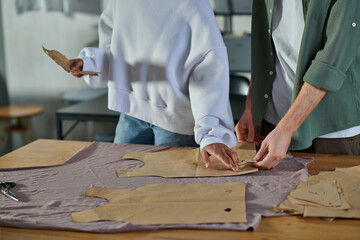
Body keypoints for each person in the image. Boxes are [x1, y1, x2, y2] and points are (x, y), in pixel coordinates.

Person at [69, 0, 240, 171]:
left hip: (175, 123)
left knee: (169, 192)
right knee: (120, 184)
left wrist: (211, 134)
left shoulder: (192, 4)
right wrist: (90, 65)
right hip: (131, 113)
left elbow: (208, 67)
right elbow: (115, 48)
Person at [235, 0, 360, 169]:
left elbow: (331, 63)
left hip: (330, 128)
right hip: (273, 123)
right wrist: (252, 107)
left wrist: (286, 128)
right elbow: (264, 49)